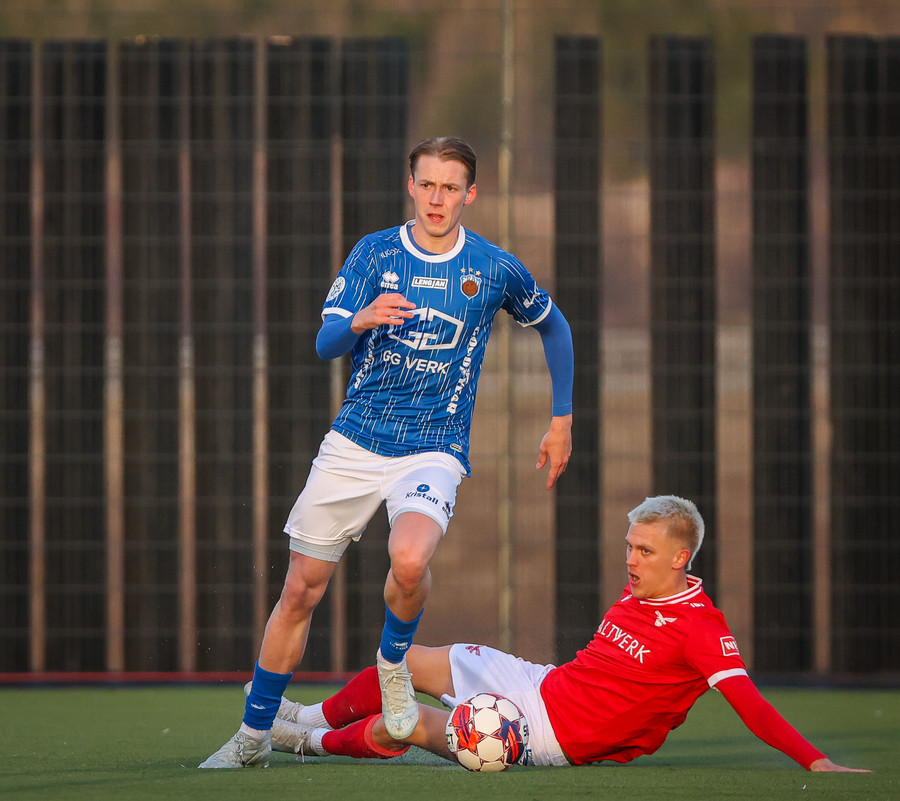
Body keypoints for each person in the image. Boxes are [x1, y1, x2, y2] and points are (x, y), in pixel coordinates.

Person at [199, 136, 574, 768]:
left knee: (409, 558)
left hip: (433, 447)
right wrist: (361, 318)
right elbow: (325, 344)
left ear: (470, 194)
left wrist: (561, 419)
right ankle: (253, 735)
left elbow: (554, 325)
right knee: (301, 589)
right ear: (411, 186)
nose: (437, 199)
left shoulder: (492, 267)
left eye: (450, 188)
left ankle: (392, 665)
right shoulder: (375, 253)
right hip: (355, 442)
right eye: (427, 185)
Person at [247, 496, 868, 773]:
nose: (630, 560)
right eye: (629, 545)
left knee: (403, 722)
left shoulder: (701, 629)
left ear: (681, 558)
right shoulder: (637, 591)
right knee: (408, 666)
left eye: (645, 550)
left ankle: (304, 744)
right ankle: (304, 715)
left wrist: (814, 761)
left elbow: (750, 705)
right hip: (542, 684)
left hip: (551, 736)